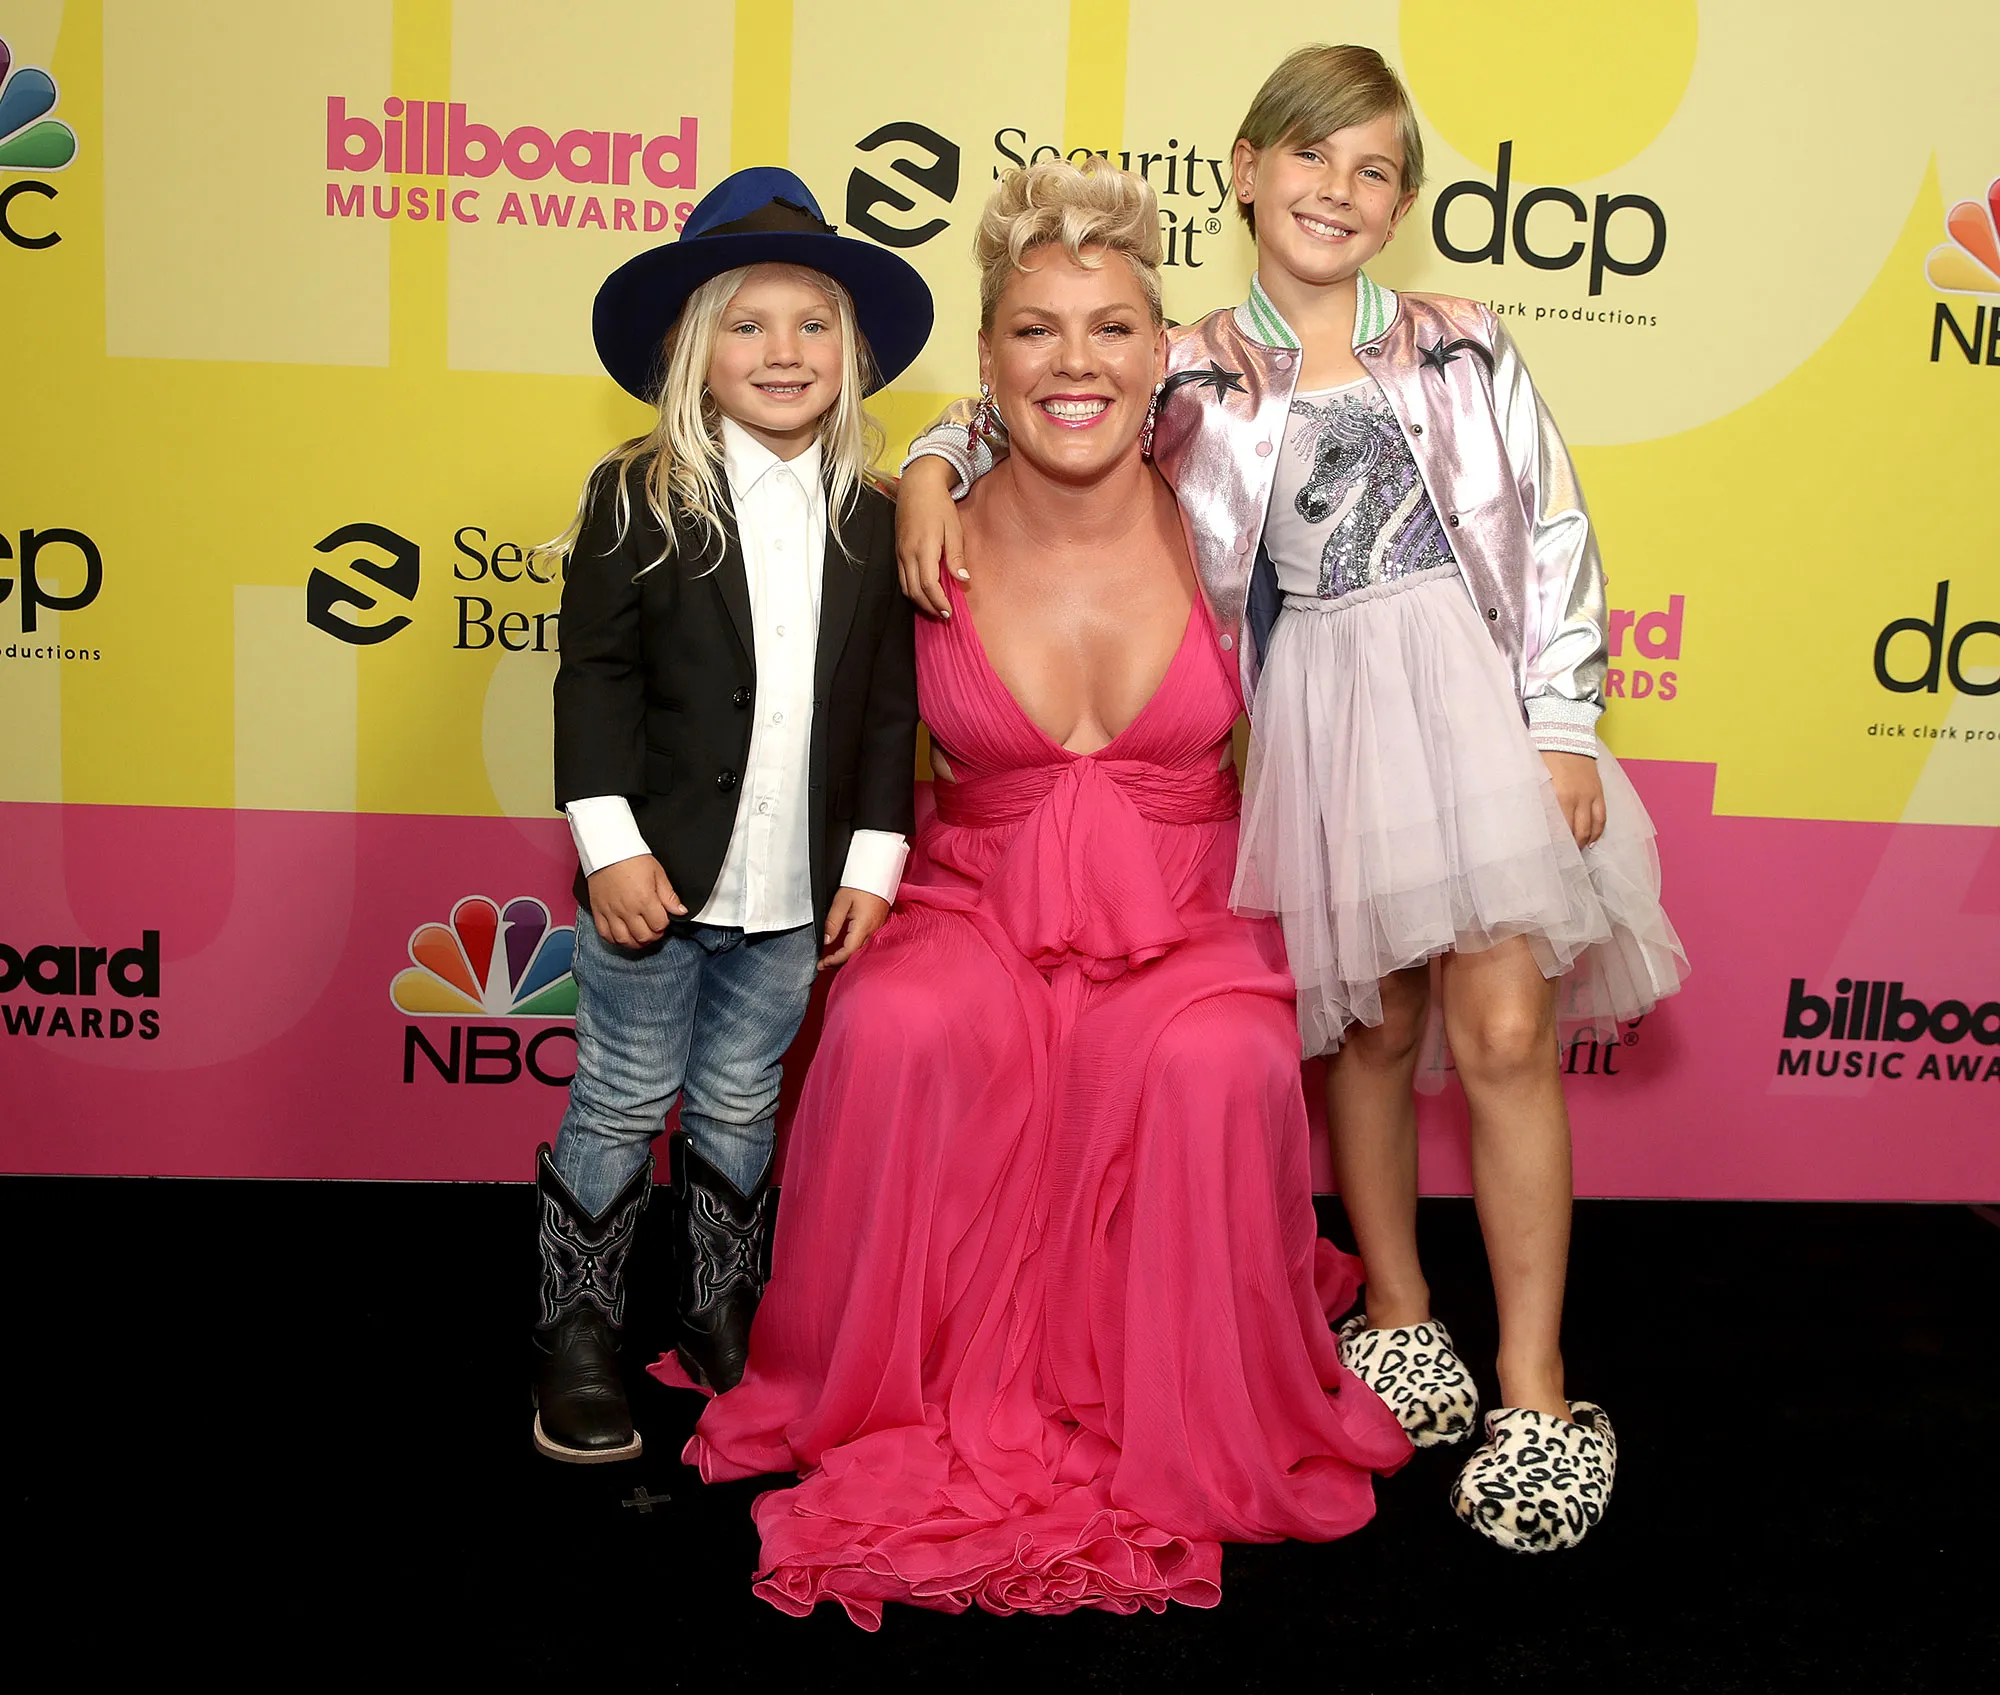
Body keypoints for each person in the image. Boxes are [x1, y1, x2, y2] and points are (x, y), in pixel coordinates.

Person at [897, 45, 1686, 1551]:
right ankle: (1397, 1315)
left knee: (1506, 1023)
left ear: (1398, 204)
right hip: (1317, 720)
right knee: (1371, 1028)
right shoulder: (1187, 360)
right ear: (1246, 170)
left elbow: (1553, 524)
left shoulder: (1464, 337)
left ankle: (1536, 1384)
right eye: (1310, 158)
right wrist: (934, 460)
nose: (1338, 189)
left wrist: (1564, 721)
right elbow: (1033, 398)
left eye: (1374, 169)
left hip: (1472, 706)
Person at [662, 160, 1411, 1626]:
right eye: (1035, 330)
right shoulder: (896, 525)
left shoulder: (1244, 515)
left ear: (1165, 353)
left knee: (1219, 1060)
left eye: (1114, 328)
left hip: (1191, 919)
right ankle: (875, 1379)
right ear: (986, 361)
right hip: (971, 900)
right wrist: (937, 463)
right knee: (892, 1029)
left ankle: (1183, 1392)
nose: (1077, 360)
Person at [527, 167, 933, 1464]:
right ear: (696, 358)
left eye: (813, 325)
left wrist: (873, 857)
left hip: (791, 893)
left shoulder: (871, 524)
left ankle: (720, 1305)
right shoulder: (634, 497)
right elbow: (593, 680)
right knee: (621, 1096)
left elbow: (882, 712)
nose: (783, 351)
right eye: (749, 326)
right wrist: (611, 846)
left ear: (853, 357)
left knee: (744, 1100)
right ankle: (580, 1330)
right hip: (655, 886)